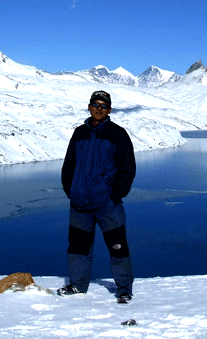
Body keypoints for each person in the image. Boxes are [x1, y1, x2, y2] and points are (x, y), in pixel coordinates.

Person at [58, 90, 136, 302]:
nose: (99, 108)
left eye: (104, 105)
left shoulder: (118, 134)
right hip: (80, 203)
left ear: (109, 110)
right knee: (78, 248)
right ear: (89, 107)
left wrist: (116, 194)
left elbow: (127, 167)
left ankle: (124, 288)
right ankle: (77, 286)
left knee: (118, 247)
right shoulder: (79, 133)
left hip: (107, 204)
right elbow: (69, 165)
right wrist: (71, 190)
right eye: (96, 104)